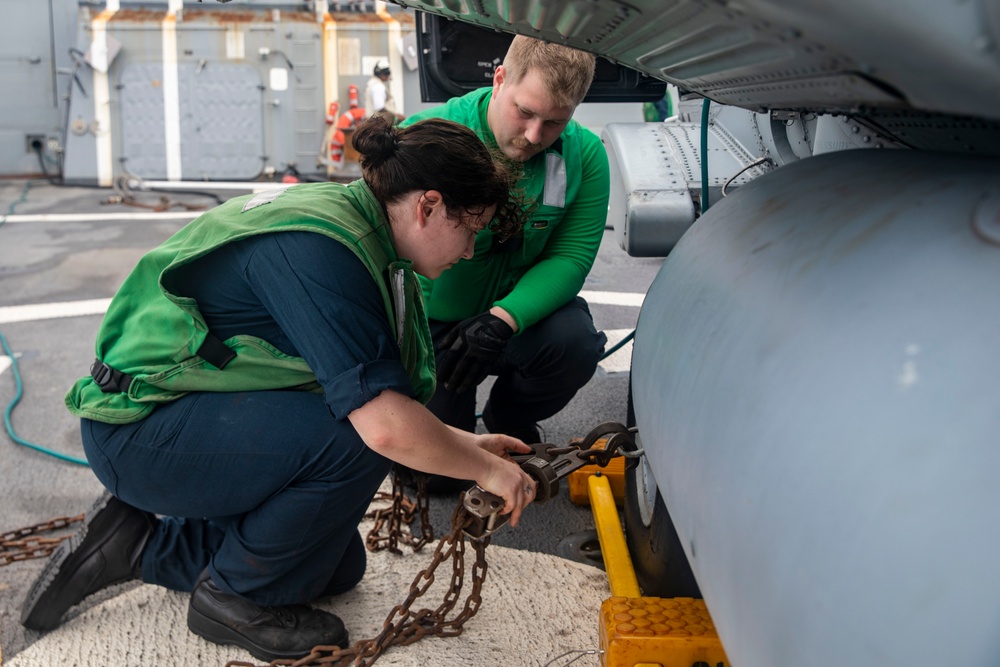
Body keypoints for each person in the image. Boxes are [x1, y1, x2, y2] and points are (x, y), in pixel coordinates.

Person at [20, 114, 537, 662]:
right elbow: (384, 426)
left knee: (338, 567)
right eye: (471, 229)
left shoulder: (353, 225)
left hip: (182, 415)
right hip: (140, 433)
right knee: (354, 443)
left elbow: (358, 384)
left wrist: (468, 444)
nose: (471, 250)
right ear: (427, 206)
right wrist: (484, 470)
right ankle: (233, 598)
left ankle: (137, 545)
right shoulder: (322, 251)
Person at [400, 36, 610, 467]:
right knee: (437, 476)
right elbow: (395, 258)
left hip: (513, 321)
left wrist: (503, 320)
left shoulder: (585, 156)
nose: (535, 136)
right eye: (526, 112)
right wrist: (409, 350)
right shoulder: (429, 139)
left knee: (573, 344)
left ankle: (509, 416)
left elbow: (569, 257)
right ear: (499, 80)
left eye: (555, 122)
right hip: (431, 326)